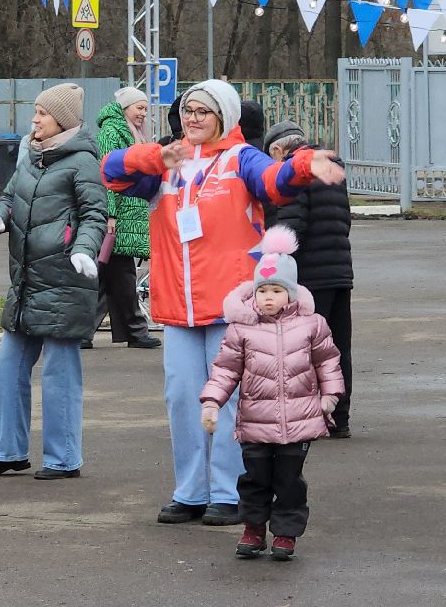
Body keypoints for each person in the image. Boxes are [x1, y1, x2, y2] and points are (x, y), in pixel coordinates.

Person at [102, 79, 346, 527]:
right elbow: (112, 172)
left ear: (224, 117)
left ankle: (229, 492)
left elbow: (275, 185)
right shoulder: (168, 160)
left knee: (232, 401)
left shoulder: (241, 159)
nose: (192, 119)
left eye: (203, 111)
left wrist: (304, 164)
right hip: (179, 305)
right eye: (188, 110)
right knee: (181, 397)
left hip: (232, 306)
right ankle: (189, 491)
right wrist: (154, 156)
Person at [0, 84, 104, 480]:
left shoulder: (82, 161)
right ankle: (9, 451)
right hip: (26, 280)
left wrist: (83, 248)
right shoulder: (29, 155)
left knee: (59, 372)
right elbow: (11, 197)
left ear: (61, 119)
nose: (35, 119)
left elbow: (95, 213)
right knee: (9, 367)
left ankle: (64, 458)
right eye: (35, 111)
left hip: (64, 279)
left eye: (42, 113)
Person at [198, 226, 343, 561]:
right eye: (262, 290)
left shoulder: (311, 325)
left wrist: (330, 396)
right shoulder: (242, 328)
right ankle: (253, 527)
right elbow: (225, 370)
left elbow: (328, 362)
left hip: (299, 420)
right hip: (255, 422)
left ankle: (286, 533)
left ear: (290, 294)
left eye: (276, 290)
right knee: (255, 478)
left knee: (290, 480)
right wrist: (212, 401)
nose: (268, 297)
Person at [266, 120, 355, 437]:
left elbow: (293, 228)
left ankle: (312, 417)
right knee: (338, 345)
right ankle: (340, 417)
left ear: (279, 150)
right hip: (339, 271)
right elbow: (344, 220)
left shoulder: (295, 172)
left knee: (306, 349)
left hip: (310, 277)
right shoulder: (331, 167)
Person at [94, 87, 158, 349]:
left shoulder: (129, 131)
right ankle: (135, 330)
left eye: (145, 108)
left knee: (109, 274)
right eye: (138, 108)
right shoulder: (112, 132)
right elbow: (108, 175)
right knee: (122, 274)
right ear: (125, 108)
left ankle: (83, 331)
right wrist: (110, 214)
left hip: (128, 211)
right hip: (119, 213)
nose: (143, 113)